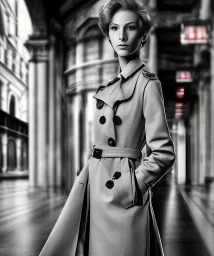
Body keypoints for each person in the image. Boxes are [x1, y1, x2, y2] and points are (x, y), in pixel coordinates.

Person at [39, 0, 175, 255]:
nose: (121, 36)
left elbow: (164, 153)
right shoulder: (109, 87)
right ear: (109, 35)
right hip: (93, 186)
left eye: (130, 28)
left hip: (122, 192)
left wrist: (131, 187)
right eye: (114, 28)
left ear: (143, 37)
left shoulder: (147, 85)